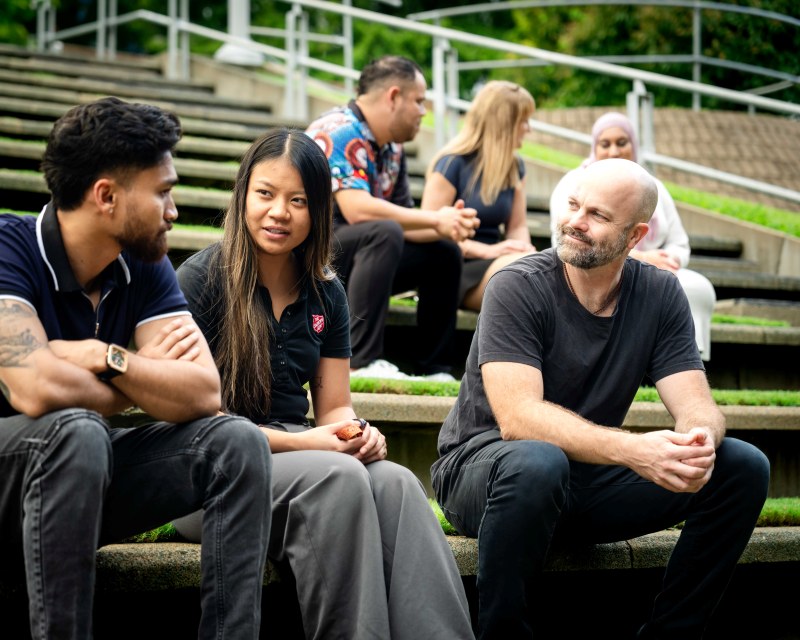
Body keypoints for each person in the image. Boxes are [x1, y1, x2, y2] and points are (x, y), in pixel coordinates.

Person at [431, 158, 770, 639]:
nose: (574, 222)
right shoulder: (515, 285)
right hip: (484, 473)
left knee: (740, 465)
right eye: (573, 205)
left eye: (597, 215)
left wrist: (697, 439)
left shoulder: (660, 294)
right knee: (538, 461)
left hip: (581, 479)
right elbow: (517, 418)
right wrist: (636, 451)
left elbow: (697, 404)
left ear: (635, 237)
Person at [171, 128, 475, 640]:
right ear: (244, 193)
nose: (279, 212)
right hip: (212, 477)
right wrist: (307, 441)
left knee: (397, 483)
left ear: (318, 212)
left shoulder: (326, 291)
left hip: (298, 459)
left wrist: (355, 431)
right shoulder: (202, 280)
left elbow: (333, 407)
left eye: (298, 201)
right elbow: (197, 424)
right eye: (265, 194)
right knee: (338, 478)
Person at [0, 97, 271, 639]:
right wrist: (140, 381)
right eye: (163, 192)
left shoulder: (144, 265)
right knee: (76, 434)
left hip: (79, 476)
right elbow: (33, 386)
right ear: (106, 196)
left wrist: (107, 356)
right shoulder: (10, 246)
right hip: (17, 473)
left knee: (235, 441)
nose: (173, 210)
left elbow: (201, 393)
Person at [306, 55, 479, 381]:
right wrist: (433, 218)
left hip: (357, 255)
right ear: (393, 96)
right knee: (383, 232)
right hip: (312, 258)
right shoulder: (338, 131)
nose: (424, 111)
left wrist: (445, 226)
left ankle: (435, 368)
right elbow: (358, 210)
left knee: (444, 251)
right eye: (419, 101)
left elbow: (405, 221)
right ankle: (359, 360)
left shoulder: (391, 148)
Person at [550, 111, 717, 360]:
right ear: (594, 147)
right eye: (605, 144)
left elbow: (680, 243)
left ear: (634, 145)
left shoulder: (652, 188)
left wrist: (665, 262)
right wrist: (641, 259)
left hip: (659, 269)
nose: (614, 151)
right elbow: (565, 239)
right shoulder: (574, 182)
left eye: (622, 142)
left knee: (697, 287)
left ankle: (687, 359)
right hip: (601, 266)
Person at [419, 80, 537, 311]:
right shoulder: (452, 164)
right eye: (523, 121)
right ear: (504, 123)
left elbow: (518, 226)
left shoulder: (515, 167)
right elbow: (429, 232)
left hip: (498, 260)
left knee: (537, 269)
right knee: (523, 278)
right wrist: (489, 251)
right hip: (457, 266)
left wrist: (524, 249)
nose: (528, 128)